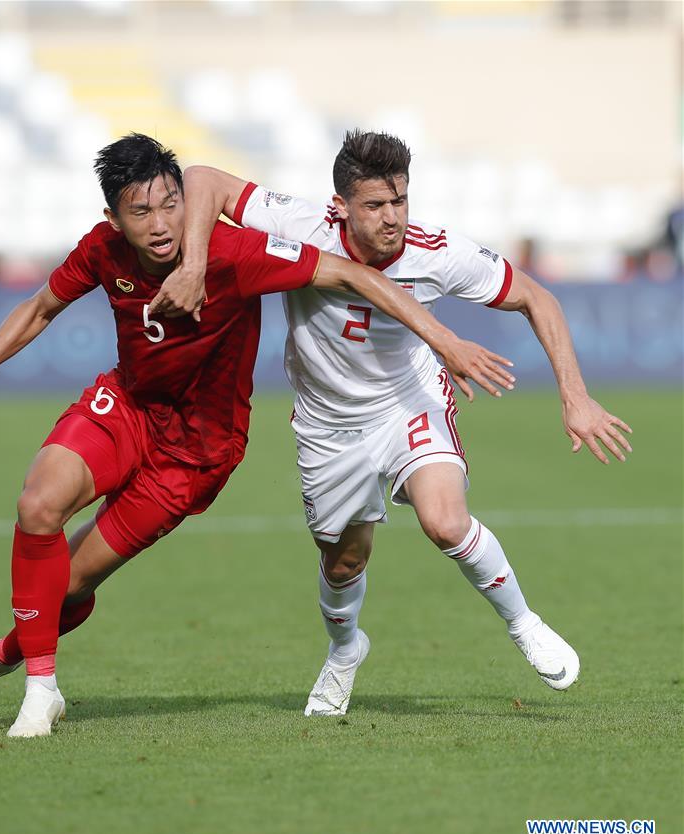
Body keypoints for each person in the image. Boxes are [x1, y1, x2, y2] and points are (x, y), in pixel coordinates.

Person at [0, 133, 513, 737]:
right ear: (112, 218)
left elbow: (355, 278)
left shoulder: (238, 254)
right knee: (37, 504)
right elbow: (40, 307)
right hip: (129, 406)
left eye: (170, 202)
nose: (161, 222)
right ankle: (42, 691)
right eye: (139, 211)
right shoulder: (102, 249)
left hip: (195, 453)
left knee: (70, 582)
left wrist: (445, 340)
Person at [149, 130, 633, 716]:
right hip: (328, 427)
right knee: (344, 560)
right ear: (341, 207)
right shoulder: (302, 226)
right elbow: (201, 179)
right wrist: (195, 263)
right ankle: (346, 648)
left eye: (399, 201)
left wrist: (574, 396)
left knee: (445, 521)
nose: (392, 218)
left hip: (409, 403)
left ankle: (523, 622)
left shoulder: (438, 252)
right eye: (375, 205)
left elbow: (538, 298)